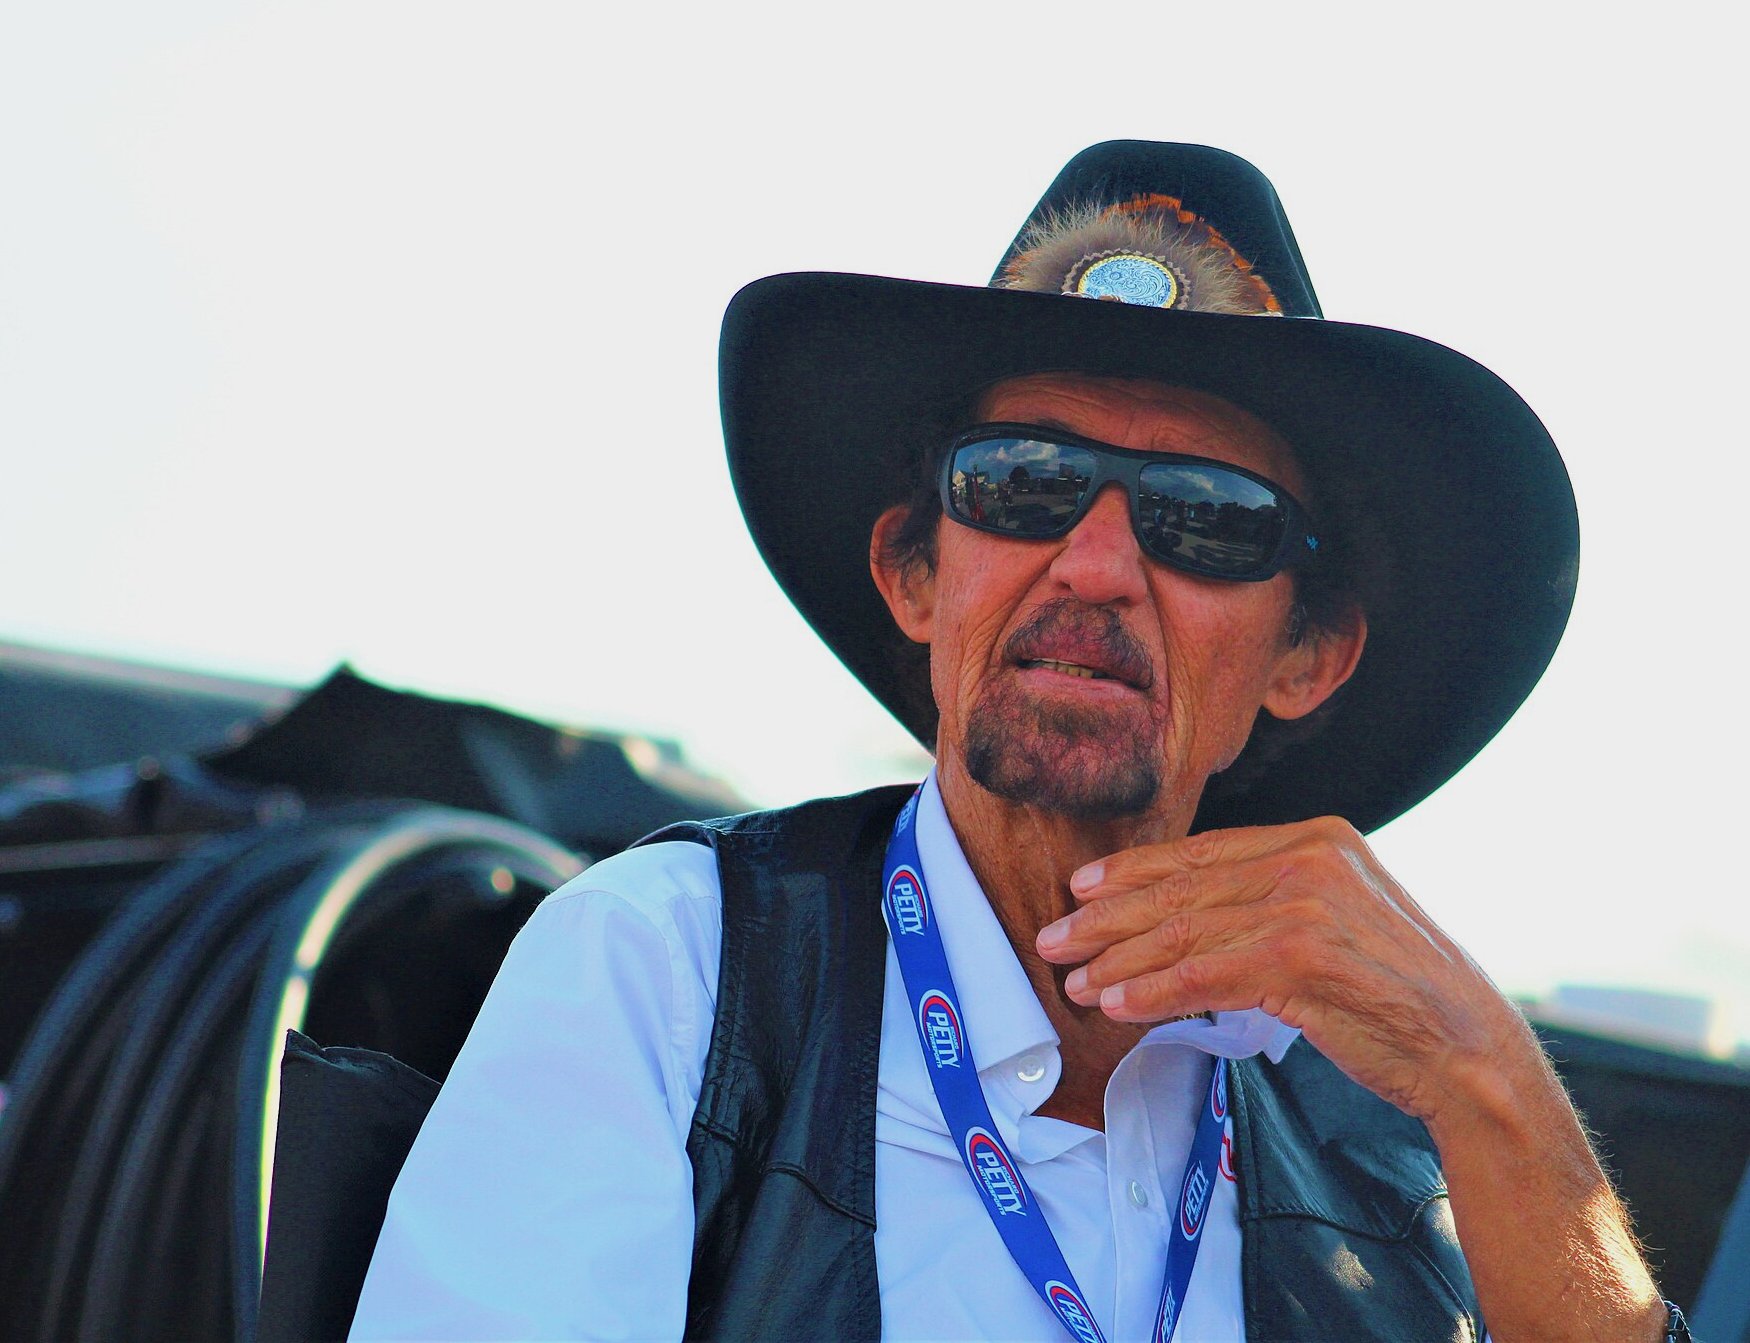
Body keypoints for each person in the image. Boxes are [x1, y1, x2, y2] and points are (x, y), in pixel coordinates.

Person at [348, 143, 1688, 1341]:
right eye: (1022, 482)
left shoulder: (1388, 1126)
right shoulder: (671, 965)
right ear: (914, 575)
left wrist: (1490, 1077)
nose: (1094, 565)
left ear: (1305, 657)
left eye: (1206, 517)